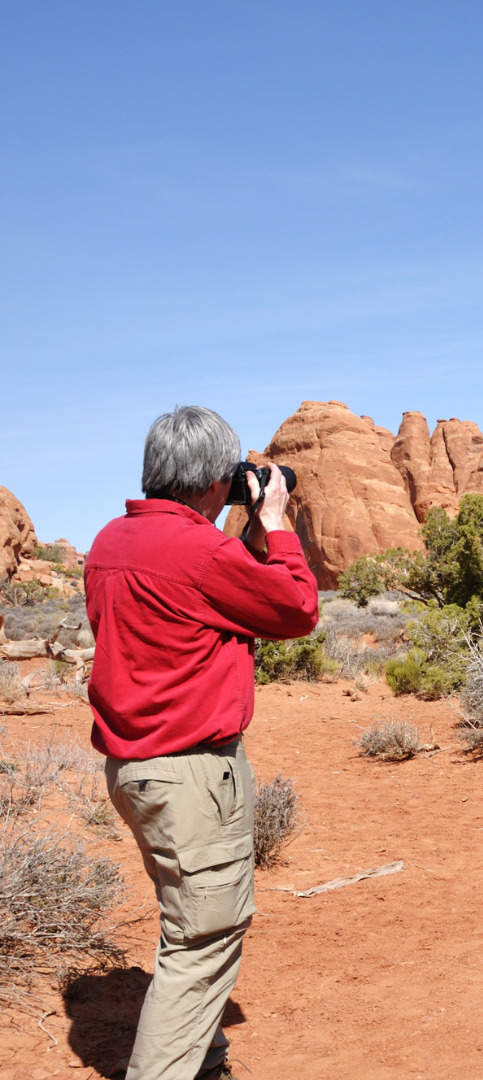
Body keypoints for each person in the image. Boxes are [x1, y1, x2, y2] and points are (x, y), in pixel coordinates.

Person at [85, 406, 318, 1080]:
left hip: (135, 767)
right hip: (190, 775)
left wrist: (238, 532)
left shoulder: (110, 541)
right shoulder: (197, 551)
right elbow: (295, 608)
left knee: (187, 919)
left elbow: (211, 599)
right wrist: (271, 519)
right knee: (202, 942)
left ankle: (203, 1059)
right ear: (217, 480)